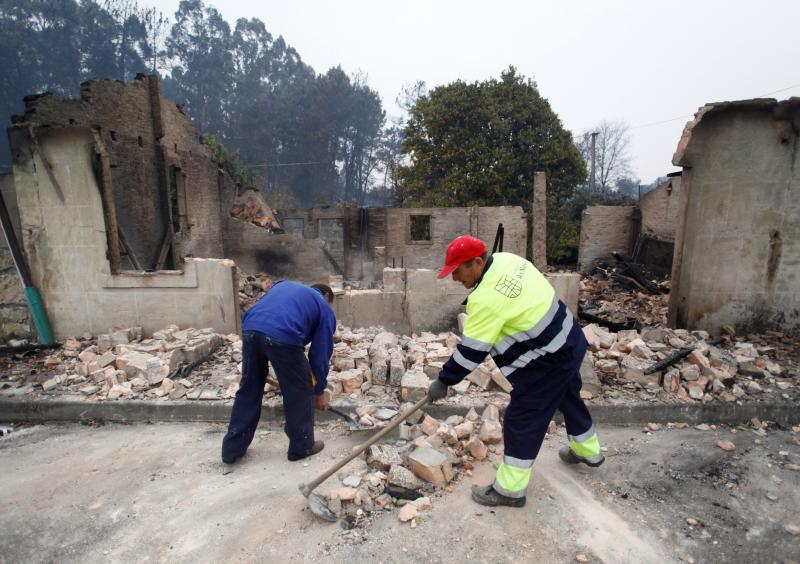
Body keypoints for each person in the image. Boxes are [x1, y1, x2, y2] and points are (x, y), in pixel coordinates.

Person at [428, 236, 603, 507]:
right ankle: (588, 451)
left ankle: (509, 490)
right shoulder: (509, 260)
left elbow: (472, 351)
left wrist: (443, 380)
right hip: (569, 340)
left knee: (521, 419)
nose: (454, 279)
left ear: (477, 262)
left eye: (458, 271)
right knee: (568, 396)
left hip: (547, 361)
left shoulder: (485, 298)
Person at [221, 281, 336, 464]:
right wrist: (318, 391)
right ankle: (302, 446)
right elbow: (320, 353)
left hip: (251, 329)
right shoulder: (324, 306)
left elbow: (266, 312)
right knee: (299, 391)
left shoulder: (284, 285)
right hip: (283, 335)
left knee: (249, 389)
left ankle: (231, 449)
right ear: (327, 296)